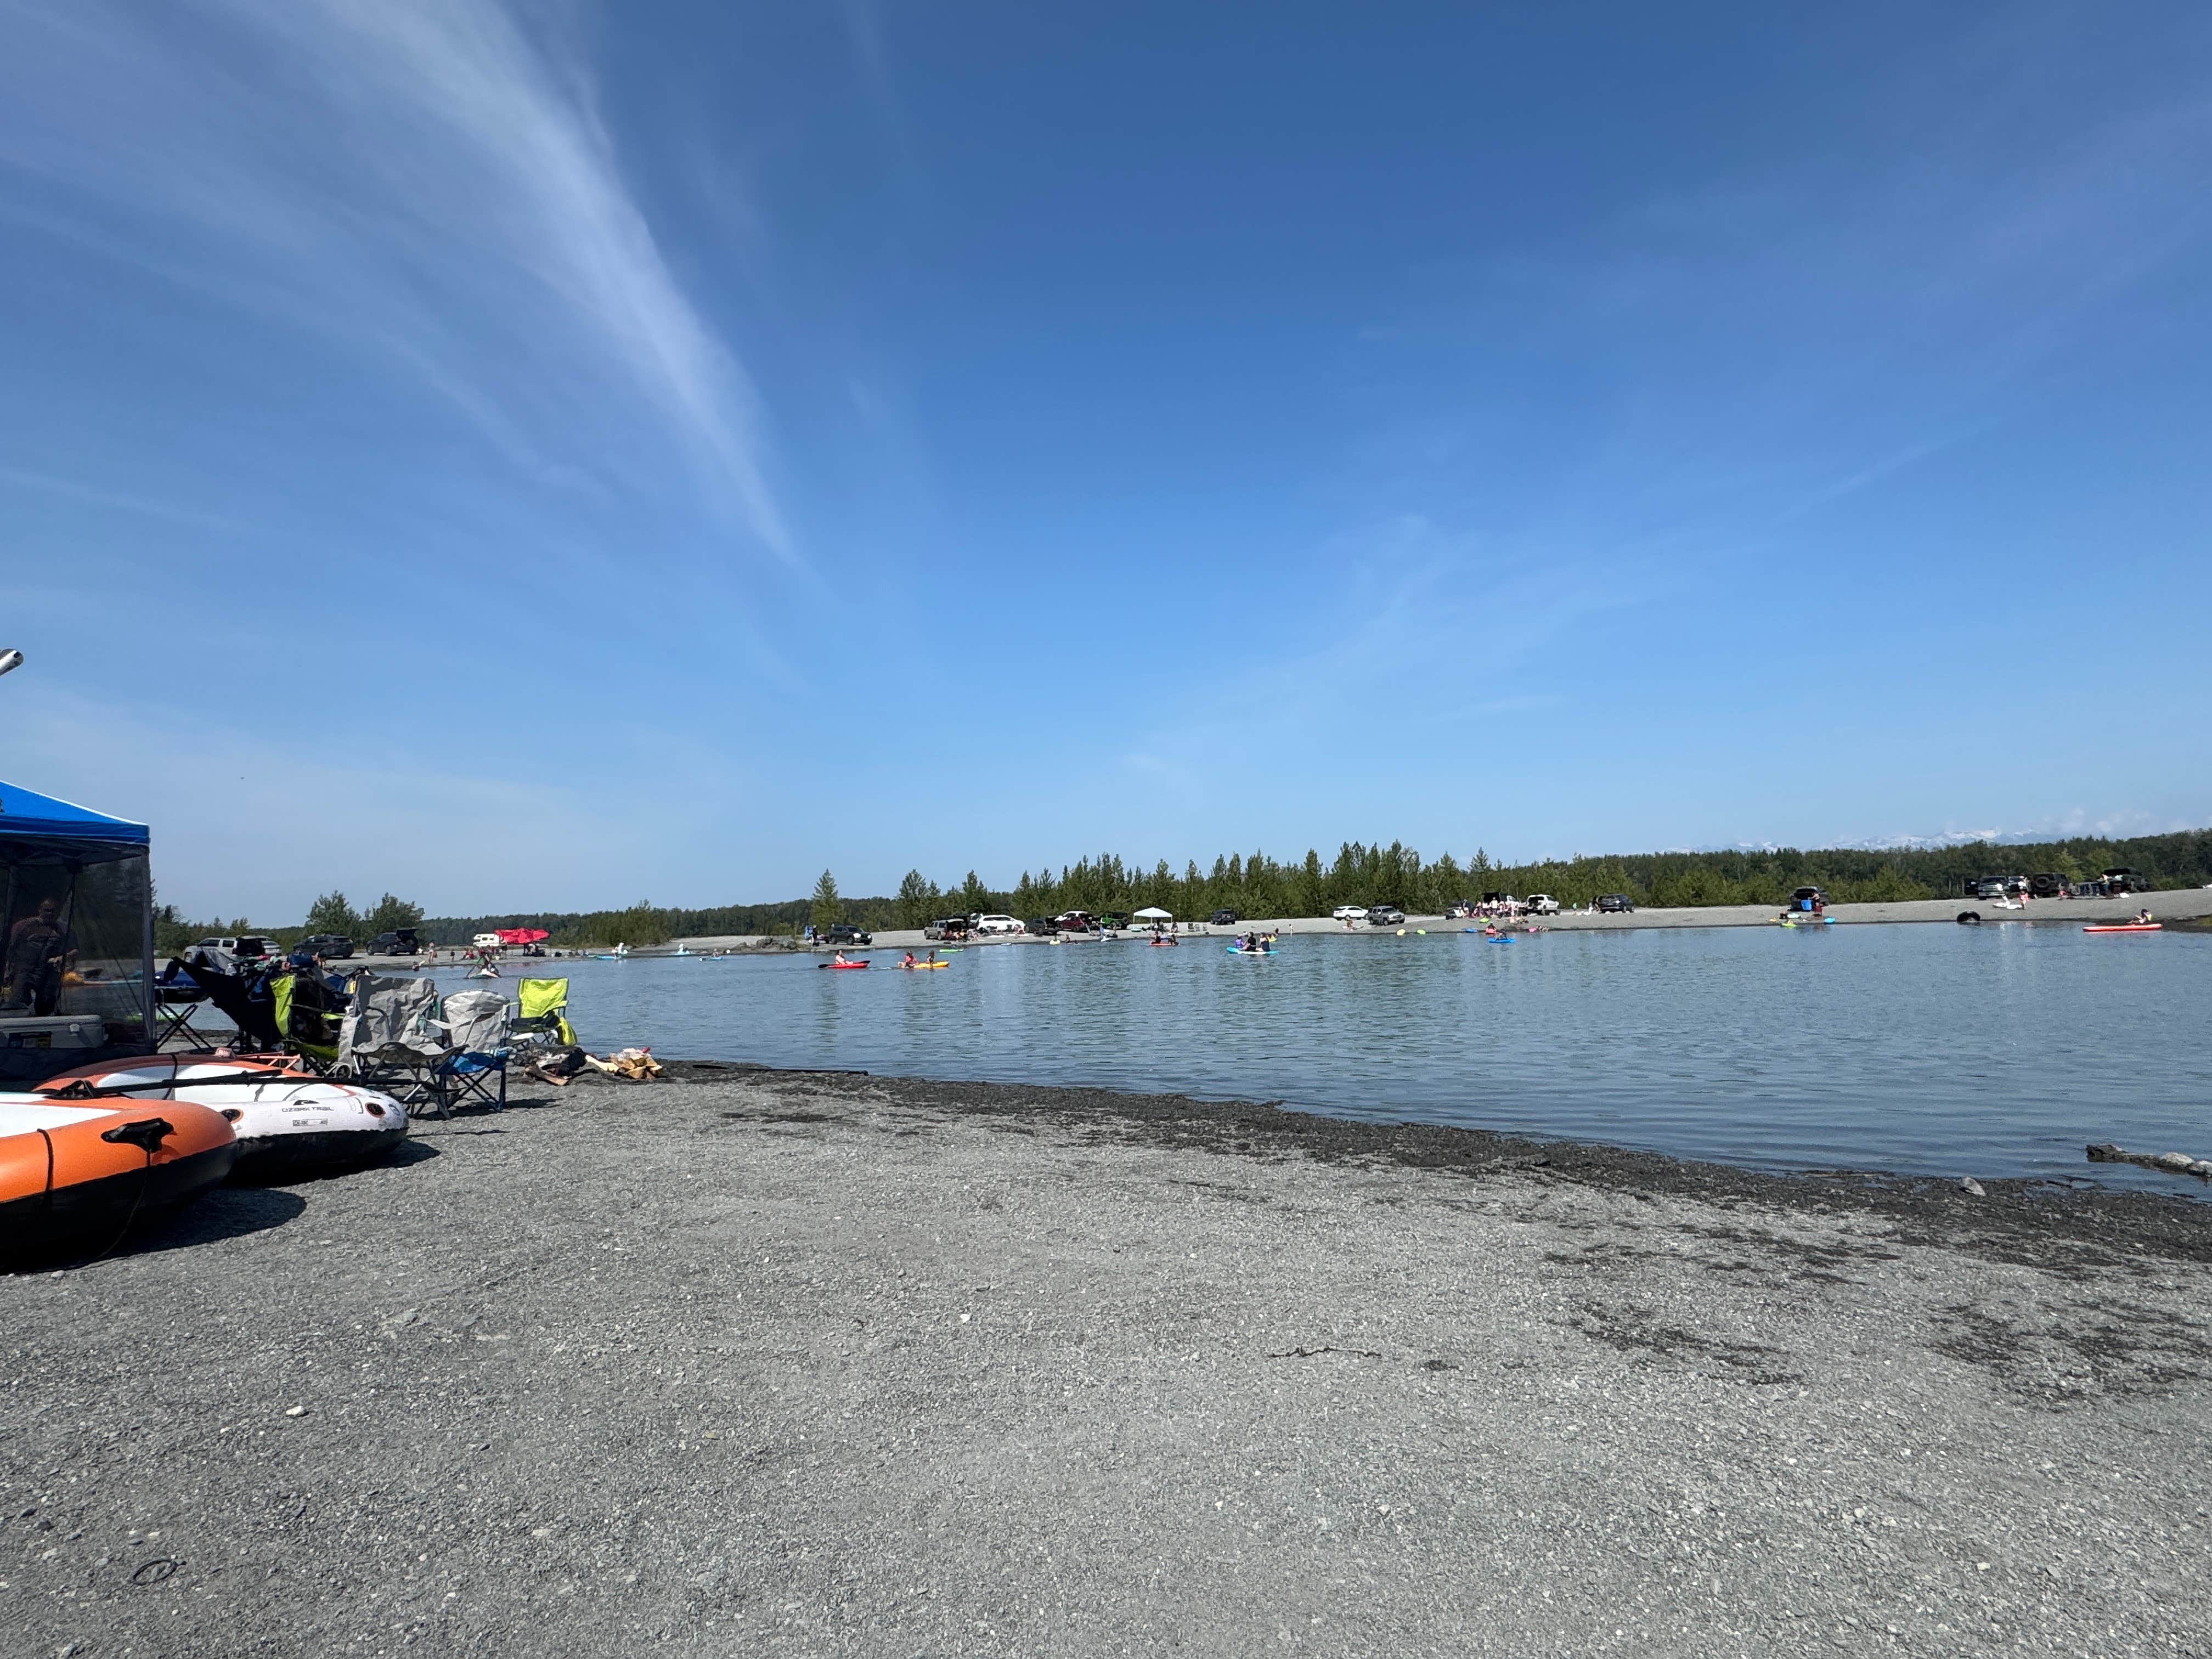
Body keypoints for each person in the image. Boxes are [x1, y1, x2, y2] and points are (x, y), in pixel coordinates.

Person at [3, 897, 76, 1014]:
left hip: (48, 970)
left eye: (53, 911)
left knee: (46, 1003)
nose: (50, 914)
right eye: (47, 910)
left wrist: (63, 957)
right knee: (18, 1001)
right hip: (25, 970)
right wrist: (9, 970)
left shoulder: (63, 929)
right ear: (40, 910)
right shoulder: (23, 925)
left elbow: (75, 950)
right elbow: (11, 947)